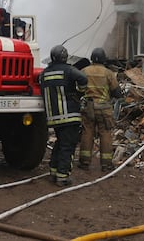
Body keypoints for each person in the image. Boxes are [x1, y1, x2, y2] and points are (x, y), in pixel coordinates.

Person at [39, 45, 87, 186]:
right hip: (69, 116)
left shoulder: (44, 73)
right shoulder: (69, 70)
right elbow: (83, 79)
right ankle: (62, 176)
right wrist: (79, 93)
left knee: (59, 144)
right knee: (67, 146)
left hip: (53, 117)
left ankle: (53, 173)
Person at [78, 48, 122, 172]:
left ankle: (84, 162)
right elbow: (117, 92)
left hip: (88, 108)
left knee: (87, 133)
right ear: (104, 59)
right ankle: (106, 164)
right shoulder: (108, 73)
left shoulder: (84, 71)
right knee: (105, 134)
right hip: (104, 109)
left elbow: (78, 89)